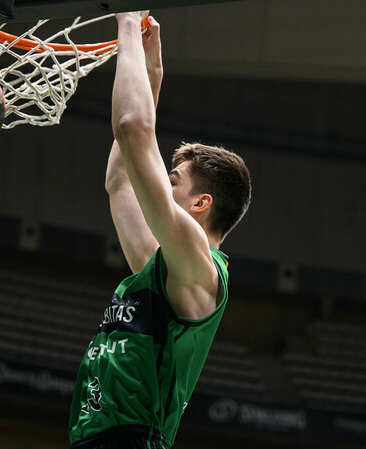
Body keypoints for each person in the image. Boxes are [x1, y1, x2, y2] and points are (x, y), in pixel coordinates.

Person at [68, 11, 252, 449]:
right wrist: (152, 72)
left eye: (173, 182)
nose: (160, 186)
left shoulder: (198, 265)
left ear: (200, 204)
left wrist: (127, 22)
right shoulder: (162, 269)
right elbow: (120, 181)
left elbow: (132, 129)